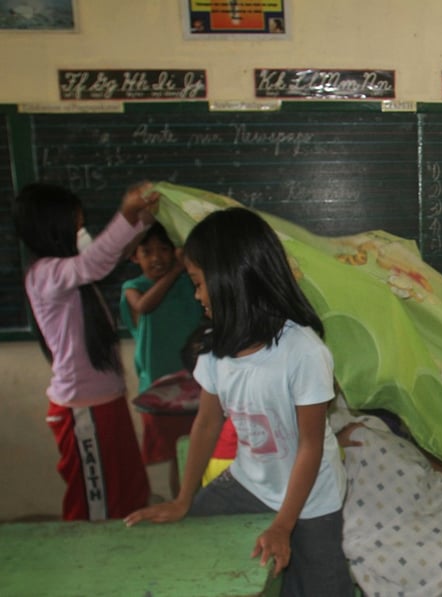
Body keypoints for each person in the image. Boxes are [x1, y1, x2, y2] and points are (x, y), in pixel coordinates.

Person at [125, 208, 352, 596]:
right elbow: (207, 423)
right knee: (190, 549)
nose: (197, 295)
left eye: (199, 284)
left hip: (311, 496)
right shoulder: (216, 348)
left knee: (319, 588)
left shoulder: (303, 351)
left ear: (231, 281)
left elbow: (310, 446)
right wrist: (183, 499)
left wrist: (283, 525)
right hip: (248, 483)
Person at [14, 181, 158, 521]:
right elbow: (95, 263)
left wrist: (143, 221)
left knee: (129, 494)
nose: (82, 229)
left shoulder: (69, 264)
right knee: (94, 506)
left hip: (105, 402)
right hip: (83, 409)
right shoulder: (44, 274)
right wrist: (126, 212)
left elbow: (111, 254)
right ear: (53, 226)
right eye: (76, 223)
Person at [120, 222, 204, 493]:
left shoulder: (190, 283)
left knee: (199, 452)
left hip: (197, 385)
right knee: (178, 457)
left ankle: (195, 505)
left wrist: (185, 267)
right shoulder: (133, 287)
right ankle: (181, 505)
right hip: (161, 390)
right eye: (147, 251)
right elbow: (144, 306)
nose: (157, 257)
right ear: (135, 257)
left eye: (164, 249)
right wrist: (176, 269)